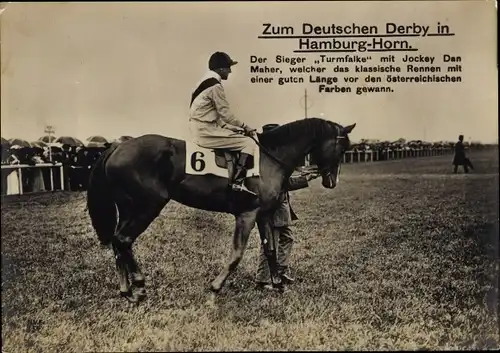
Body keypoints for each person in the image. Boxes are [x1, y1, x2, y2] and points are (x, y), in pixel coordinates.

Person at [189, 51, 257, 196]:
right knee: (248, 143)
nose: (230, 71)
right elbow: (226, 114)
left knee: (238, 136)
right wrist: (246, 127)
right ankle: (238, 183)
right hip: (206, 131)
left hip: (202, 127)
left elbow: (217, 118)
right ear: (220, 69)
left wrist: (234, 129)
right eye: (228, 68)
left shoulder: (203, 82)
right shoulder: (215, 86)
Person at [255, 172, 315, 290]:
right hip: (273, 210)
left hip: (280, 209)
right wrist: (305, 179)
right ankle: (262, 280)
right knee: (270, 244)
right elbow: (284, 182)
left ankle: (280, 271)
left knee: (287, 238)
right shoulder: (270, 164)